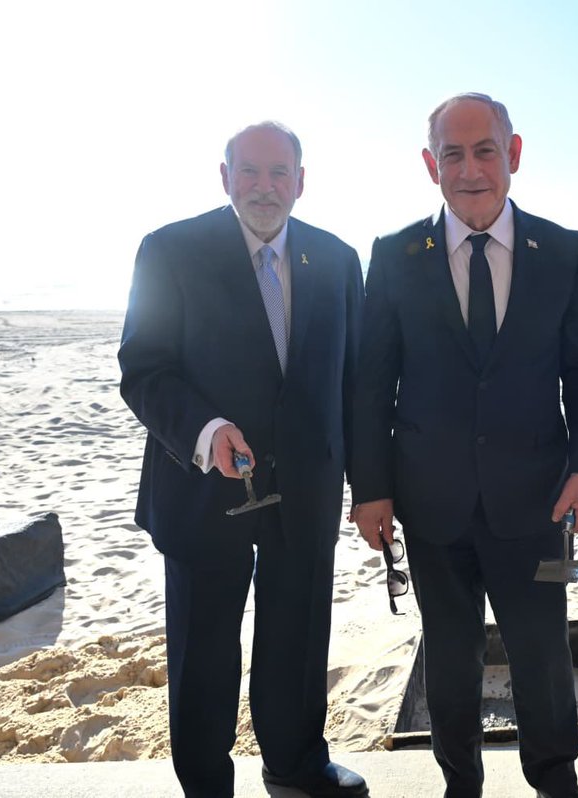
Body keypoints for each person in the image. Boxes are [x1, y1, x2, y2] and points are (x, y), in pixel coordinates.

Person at [351, 92, 578, 798]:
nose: (471, 170)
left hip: (538, 506)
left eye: (485, 151)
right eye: (454, 154)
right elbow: (372, 386)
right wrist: (370, 488)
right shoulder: (396, 255)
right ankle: (459, 780)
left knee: (542, 653)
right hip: (429, 506)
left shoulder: (561, 251)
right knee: (451, 657)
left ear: (514, 154)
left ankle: (555, 777)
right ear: (431, 163)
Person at [119, 121, 369, 798]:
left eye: (279, 172)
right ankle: (207, 785)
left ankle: (295, 766)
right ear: (225, 176)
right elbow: (142, 369)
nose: (265, 186)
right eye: (250, 172)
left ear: (301, 181)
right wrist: (207, 429)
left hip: (307, 491)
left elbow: (357, 384)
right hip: (202, 488)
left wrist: (371, 486)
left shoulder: (339, 259)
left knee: (297, 636)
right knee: (203, 652)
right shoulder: (170, 250)